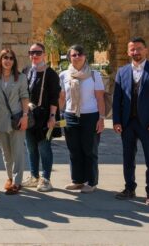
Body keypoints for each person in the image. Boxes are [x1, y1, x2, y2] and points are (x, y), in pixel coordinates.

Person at [112, 37, 149, 206]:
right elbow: (117, 100)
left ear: (146, 50)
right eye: (132, 49)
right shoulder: (122, 72)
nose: (135, 52)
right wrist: (117, 121)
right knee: (128, 157)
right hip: (128, 123)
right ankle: (129, 188)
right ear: (128, 52)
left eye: (138, 49)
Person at [59, 45, 105, 193]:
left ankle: (91, 182)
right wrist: (56, 115)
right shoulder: (64, 75)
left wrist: (101, 118)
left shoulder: (94, 75)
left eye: (80, 54)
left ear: (85, 56)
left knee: (90, 150)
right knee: (74, 150)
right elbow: (62, 98)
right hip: (70, 115)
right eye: (74, 55)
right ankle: (77, 180)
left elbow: (100, 98)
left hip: (90, 116)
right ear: (69, 57)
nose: (77, 57)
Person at [21, 43, 61, 193]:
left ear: (44, 54)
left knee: (44, 147)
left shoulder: (51, 74)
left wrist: (52, 117)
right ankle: (34, 176)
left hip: (45, 116)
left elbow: (54, 98)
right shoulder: (26, 71)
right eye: (31, 52)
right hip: (30, 116)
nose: (34, 55)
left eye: (38, 52)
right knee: (31, 147)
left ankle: (46, 178)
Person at [0, 48, 30, 195]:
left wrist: (25, 115)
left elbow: (24, 97)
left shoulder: (20, 78)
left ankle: (17, 181)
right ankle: (9, 178)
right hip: (1, 120)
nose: (8, 61)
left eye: (11, 58)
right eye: (5, 58)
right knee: (6, 152)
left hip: (17, 119)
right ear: (0, 60)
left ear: (14, 61)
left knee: (18, 152)